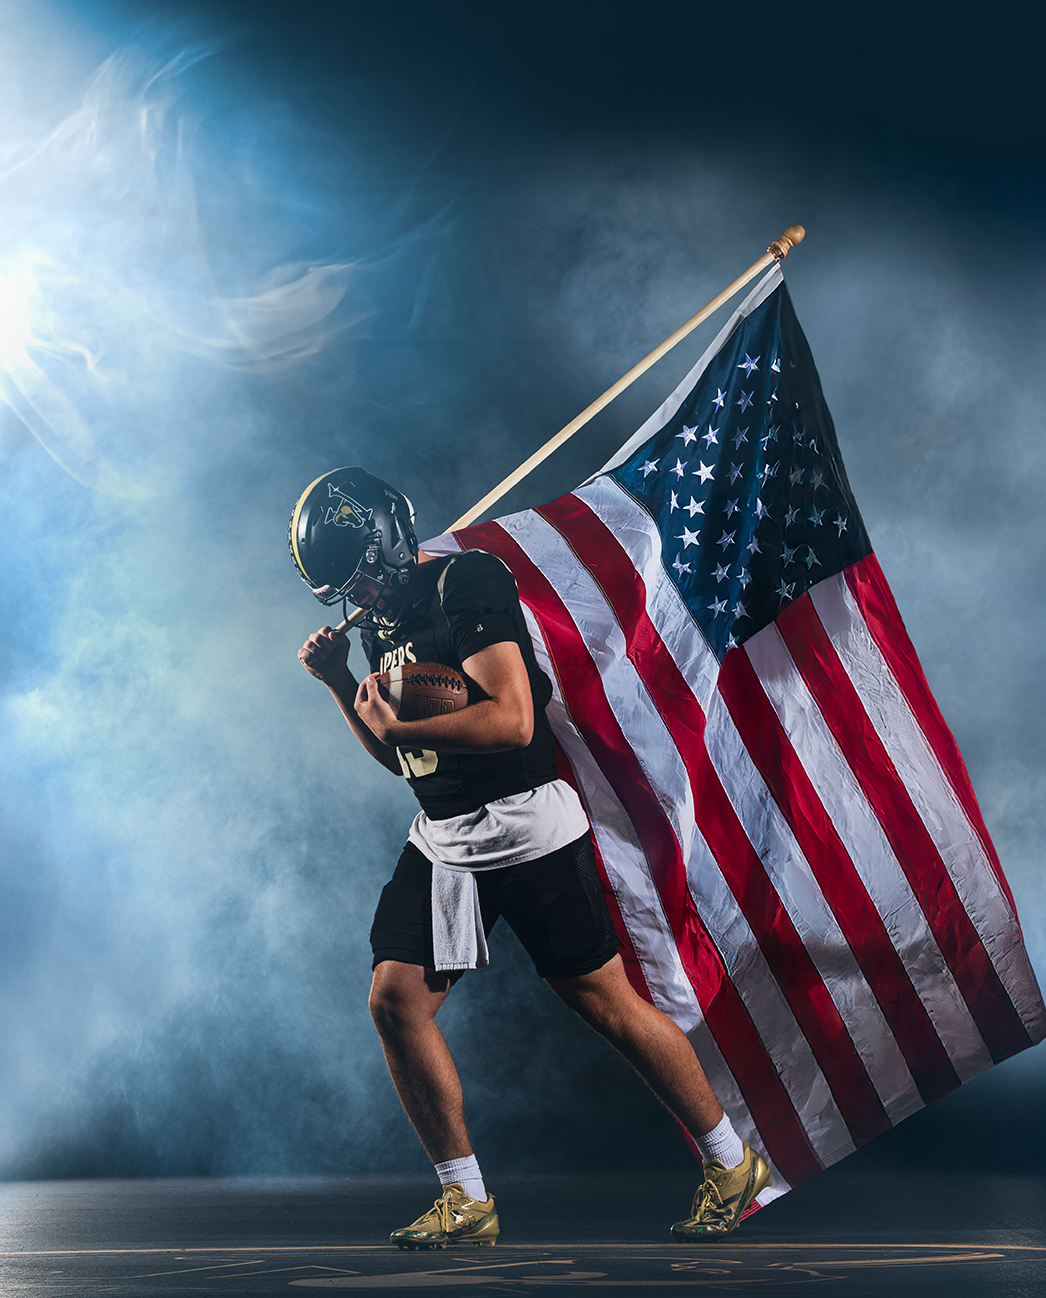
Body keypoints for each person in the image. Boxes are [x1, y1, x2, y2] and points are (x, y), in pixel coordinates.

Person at [290, 466, 770, 1248]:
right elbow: (401, 763)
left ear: (384, 544)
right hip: (446, 837)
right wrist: (344, 688)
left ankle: (730, 1161)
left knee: (606, 1005)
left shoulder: (467, 583)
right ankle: (466, 1199)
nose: (357, 600)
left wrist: (404, 725)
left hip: (524, 825)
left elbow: (512, 720)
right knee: (394, 1001)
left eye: (360, 579)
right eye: (342, 589)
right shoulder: (377, 627)